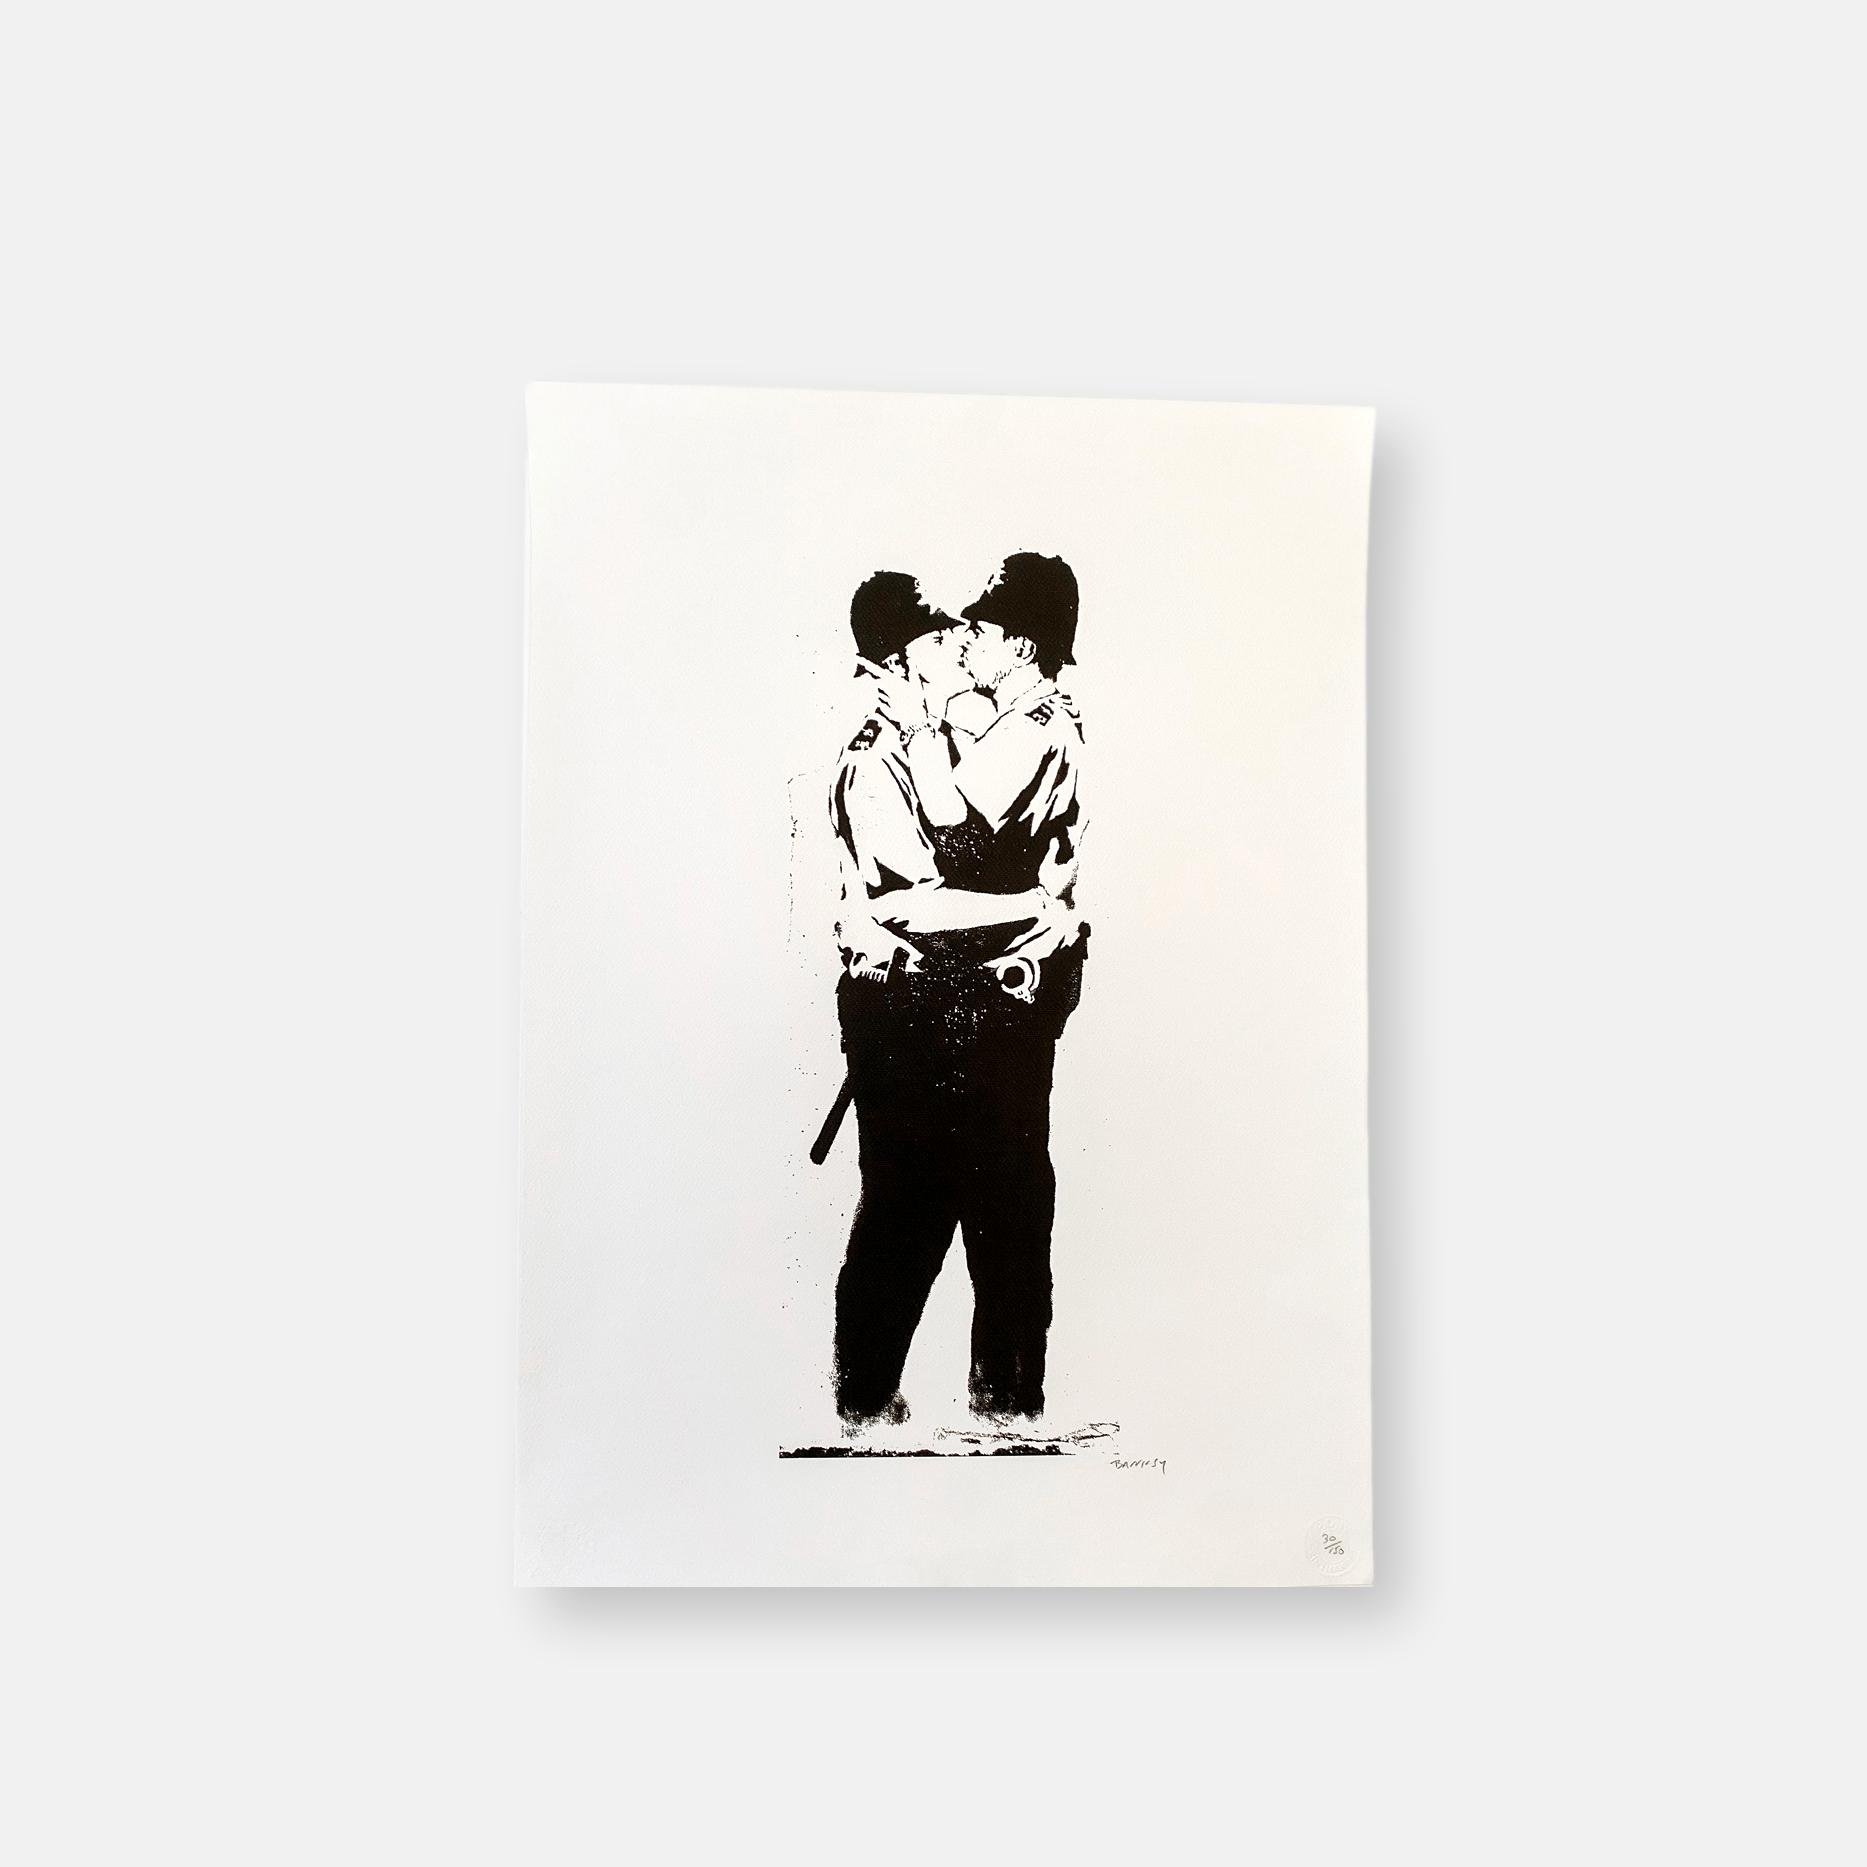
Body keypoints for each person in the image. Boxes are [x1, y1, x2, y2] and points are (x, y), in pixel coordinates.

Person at [826, 559, 1087, 1427]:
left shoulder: (961, 738)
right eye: (943, 635)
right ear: (903, 661)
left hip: (972, 1006)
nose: (959, 646)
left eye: (969, 630)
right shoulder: (876, 762)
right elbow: (910, 905)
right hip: (902, 1007)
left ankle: (1001, 1405)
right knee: (907, 1212)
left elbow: (966, 836)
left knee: (1000, 1208)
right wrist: (1037, 911)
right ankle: (863, 1405)